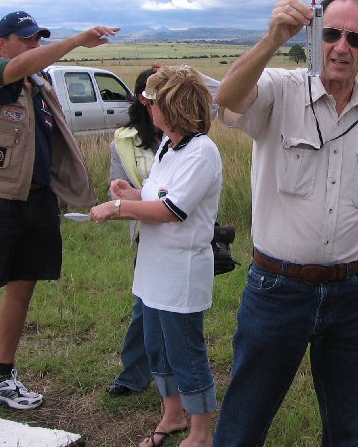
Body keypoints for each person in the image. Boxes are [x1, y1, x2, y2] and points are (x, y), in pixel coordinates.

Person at [212, 0, 358, 447]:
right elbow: (227, 99)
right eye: (332, 34)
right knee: (243, 423)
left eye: (355, 38)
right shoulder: (278, 91)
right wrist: (274, 37)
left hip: (355, 294)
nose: (341, 47)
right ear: (314, 37)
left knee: (353, 430)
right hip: (277, 290)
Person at [0, 11, 115, 409]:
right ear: (1, 43)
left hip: (36, 198)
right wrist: (75, 41)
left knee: (23, 285)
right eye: (25, 38)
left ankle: (1, 379)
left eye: (37, 39)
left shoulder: (38, 86)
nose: (33, 45)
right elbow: (18, 66)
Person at [91, 65, 222, 447]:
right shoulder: (168, 146)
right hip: (153, 272)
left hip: (180, 273)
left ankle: (201, 433)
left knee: (186, 353)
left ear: (172, 106)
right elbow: (156, 199)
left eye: (152, 102)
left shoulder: (202, 153)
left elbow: (171, 211)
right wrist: (131, 194)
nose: (147, 107)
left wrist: (117, 208)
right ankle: (173, 414)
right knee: (157, 347)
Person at [104, 68, 160, 397]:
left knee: (175, 309)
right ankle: (136, 374)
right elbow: (116, 192)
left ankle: (168, 375)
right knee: (146, 302)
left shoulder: (189, 135)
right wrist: (121, 192)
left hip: (182, 232)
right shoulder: (123, 140)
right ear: (143, 97)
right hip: (147, 233)